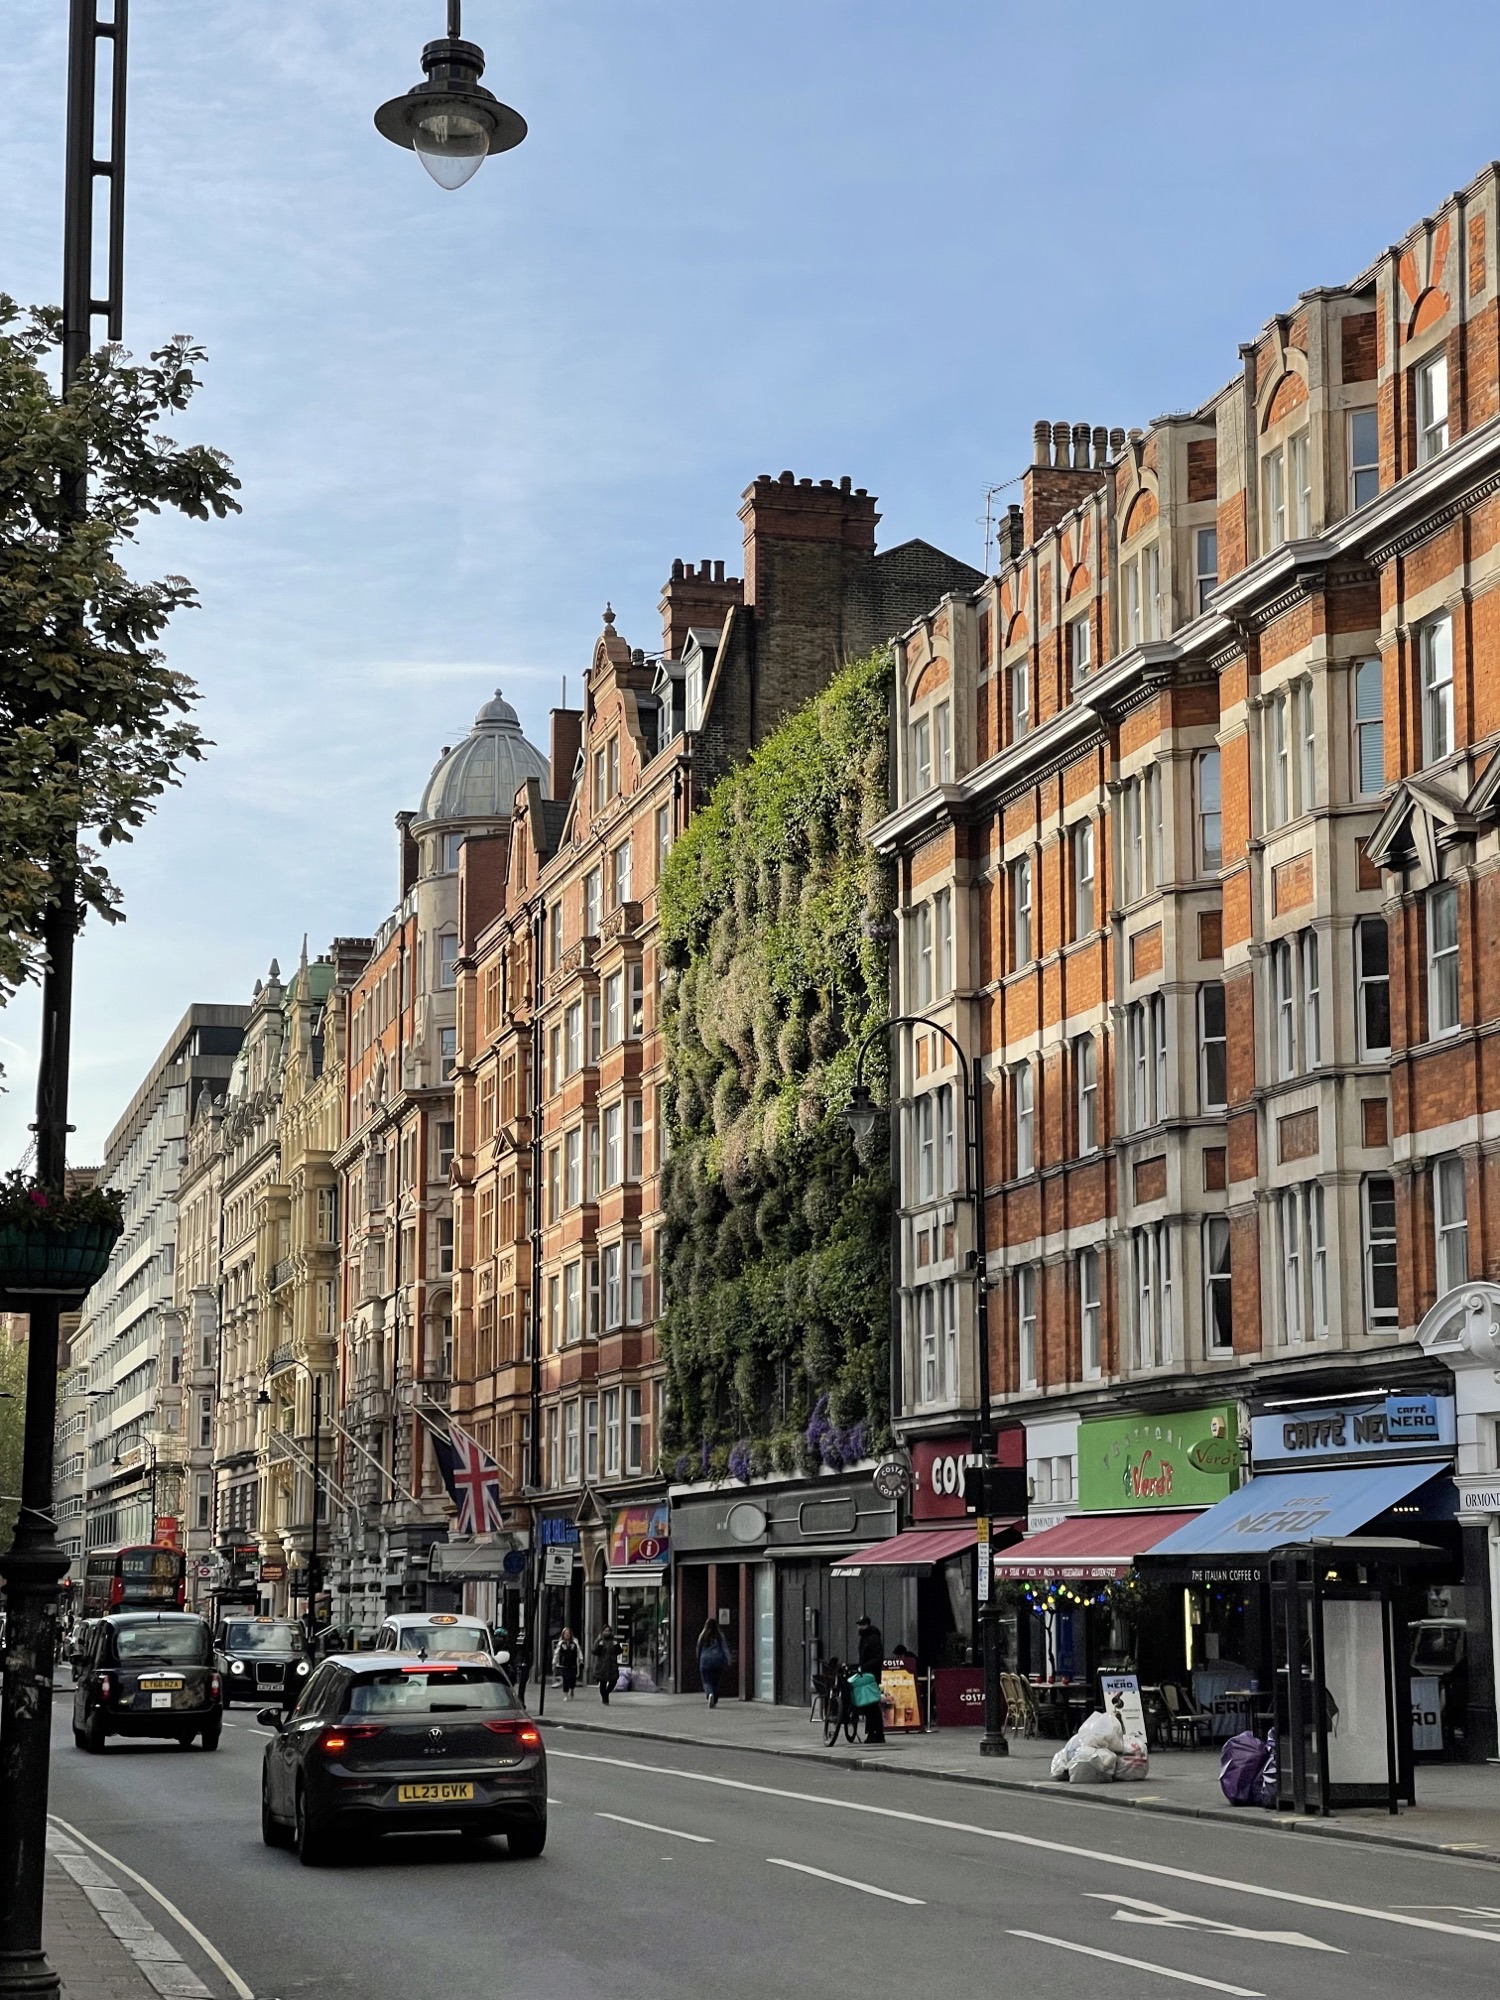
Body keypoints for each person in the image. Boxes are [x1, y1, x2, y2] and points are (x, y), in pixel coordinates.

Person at [856, 1614, 886, 1743]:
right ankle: (874, 1733)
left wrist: (865, 1667)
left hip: (871, 1676)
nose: (860, 1627)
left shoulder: (872, 1638)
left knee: (871, 1705)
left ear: (867, 1625)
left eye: (862, 1625)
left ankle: (876, 1733)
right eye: (859, 1624)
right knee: (869, 1705)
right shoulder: (865, 1638)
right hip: (867, 1675)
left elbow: (877, 1657)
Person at [697, 1619, 729, 1708]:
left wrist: (699, 1659)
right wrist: (727, 1659)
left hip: (705, 1661)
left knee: (707, 1681)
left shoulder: (702, 1636)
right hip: (718, 1661)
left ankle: (709, 1694)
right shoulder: (719, 1636)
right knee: (716, 1682)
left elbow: (698, 1649)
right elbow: (725, 1648)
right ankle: (714, 1700)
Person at [592, 1626, 621, 1705]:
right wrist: (600, 1646)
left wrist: (616, 1645)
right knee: (603, 1682)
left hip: (612, 1664)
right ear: (602, 1632)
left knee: (613, 1681)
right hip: (602, 1665)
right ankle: (605, 1699)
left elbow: (619, 1651)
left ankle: (606, 1693)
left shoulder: (614, 1641)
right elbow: (594, 1652)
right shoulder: (599, 1640)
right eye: (605, 1631)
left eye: (608, 1631)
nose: (607, 1632)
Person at [554, 1626, 583, 1700]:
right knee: (565, 1679)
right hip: (564, 1664)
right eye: (566, 1633)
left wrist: (580, 1659)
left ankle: (572, 1689)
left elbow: (578, 1651)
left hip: (573, 1663)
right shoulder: (561, 1643)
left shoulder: (574, 1642)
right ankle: (566, 1694)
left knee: (572, 1678)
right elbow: (556, 1653)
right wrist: (554, 1662)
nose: (567, 1635)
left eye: (568, 1633)